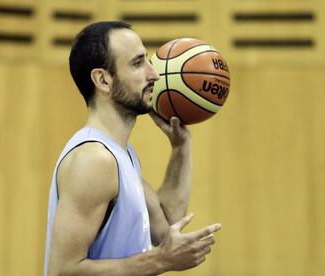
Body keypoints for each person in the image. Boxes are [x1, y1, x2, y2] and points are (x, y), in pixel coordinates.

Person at [44, 21, 222, 275]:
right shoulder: (95, 160)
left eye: (148, 61)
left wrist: (181, 147)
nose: (154, 74)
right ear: (103, 80)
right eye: (138, 63)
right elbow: (63, 270)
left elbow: (166, 228)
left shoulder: (119, 155)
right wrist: (160, 261)